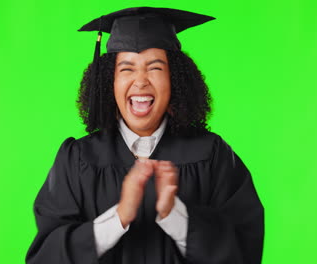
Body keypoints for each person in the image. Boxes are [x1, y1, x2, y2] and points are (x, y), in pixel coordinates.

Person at [26, 7, 264, 264]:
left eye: (155, 68)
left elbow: (245, 250)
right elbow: (45, 257)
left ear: (175, 80)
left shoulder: (212, 156)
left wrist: (176, 216)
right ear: (109, 82)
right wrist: (117, 219)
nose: (141, 81)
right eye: (126, 69)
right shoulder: (78, 160)